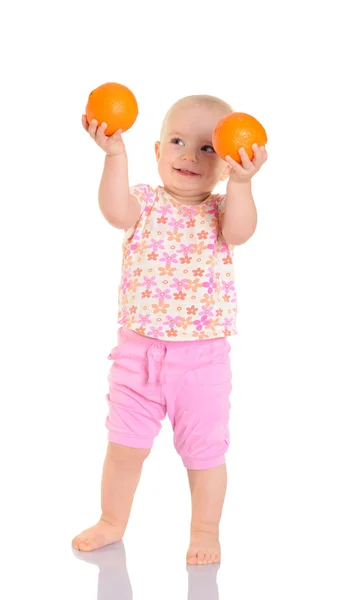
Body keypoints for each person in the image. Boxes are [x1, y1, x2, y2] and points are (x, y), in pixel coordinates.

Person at [72, 94, 268, 565]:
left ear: (223, 165)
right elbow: (114, 211)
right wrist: (114, 155)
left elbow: (242, 232)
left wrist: (242, 184)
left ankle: (205, 530)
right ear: (157, 150)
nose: (188, 155)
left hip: (201, 362)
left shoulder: (222, 210)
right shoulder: (144, 202)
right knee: (124, 448)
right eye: (178, 142)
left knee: (205, 454)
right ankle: (112, 521)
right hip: (137, 356)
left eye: (207, 149)